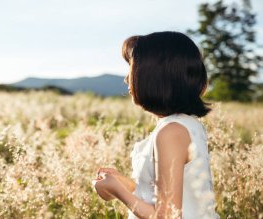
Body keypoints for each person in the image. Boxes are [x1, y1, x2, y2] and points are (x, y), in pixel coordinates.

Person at [92, 31, 220, 219]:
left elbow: (168, 216)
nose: (127, 78)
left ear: (153, 76)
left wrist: (118, 191)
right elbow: (166, 196)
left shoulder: (171, 132)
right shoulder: (182, 125)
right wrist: (124, 184)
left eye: (132, 68)